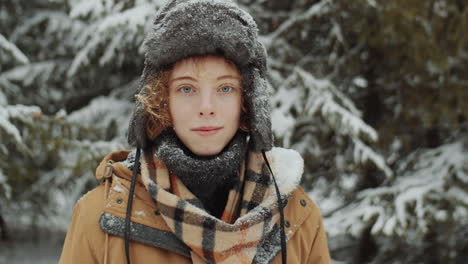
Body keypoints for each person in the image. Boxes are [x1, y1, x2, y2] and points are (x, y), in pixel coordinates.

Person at [59, 0, 331, 263]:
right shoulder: (99, 216)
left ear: (247, 102)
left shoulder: (298, 218)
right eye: (186, 89)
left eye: (225, 88)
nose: (206, 107)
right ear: (162, 101)